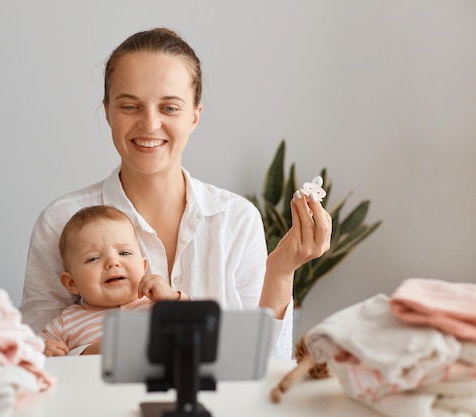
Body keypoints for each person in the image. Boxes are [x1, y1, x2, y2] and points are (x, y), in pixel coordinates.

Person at [20, 27, 332, 359]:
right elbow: (35, 357)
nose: (150, 124)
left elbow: (264, 363)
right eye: (129, 106)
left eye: (169, 108)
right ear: (108, 110)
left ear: (195, 115)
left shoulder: (236, 219)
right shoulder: (61, 220)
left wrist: (282, 270)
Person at [41, 205, 188, 357]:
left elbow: (195, 328)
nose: (112, 262)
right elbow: (27, 350)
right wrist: (43, 350)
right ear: (72, 283)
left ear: (143, 267)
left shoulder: (157, 306)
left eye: (124, 253)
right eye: (93, 258)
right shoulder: (66, 323)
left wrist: (170, 299)